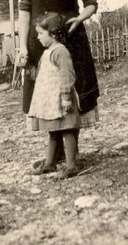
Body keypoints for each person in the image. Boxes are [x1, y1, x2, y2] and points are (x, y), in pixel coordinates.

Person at [17, 0, 100, 169]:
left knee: (69, 93)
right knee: (47, 96)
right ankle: (56, 156)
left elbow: (91, 2)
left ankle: (71, 156)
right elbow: (24, 12)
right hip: (39, 46)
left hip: (71, 42)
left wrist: (80, 18)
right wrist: (23, 47)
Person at [27, 12, 81, 179]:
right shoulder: (47, 52)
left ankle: (71, 166)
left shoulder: (60, 51)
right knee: (53, 131)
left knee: (67, 130)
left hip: (62, 100)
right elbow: (42, 75)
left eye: (41, 34)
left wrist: (66, 97)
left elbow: (67, 75)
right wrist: (26, 67)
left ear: (53, 33)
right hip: (51, 102)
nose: (38, 37)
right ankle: (50, 163)